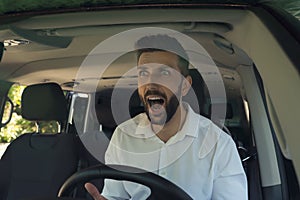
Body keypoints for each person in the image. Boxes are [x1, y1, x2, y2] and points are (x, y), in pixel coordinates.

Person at [85, 34, 247, 199]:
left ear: (184, 86)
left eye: (164, 72)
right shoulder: (123, 136)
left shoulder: (218, 143)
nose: (151, 82)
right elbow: (116, 195)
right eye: (143, 73)